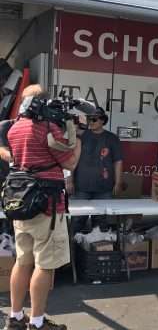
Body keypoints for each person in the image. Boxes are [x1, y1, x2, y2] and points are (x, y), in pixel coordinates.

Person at [5, 85, 81, 330]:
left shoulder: (15, 128)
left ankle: (15, 317)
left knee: (22, 261)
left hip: (21, 204)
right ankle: (37, 323)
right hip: (47, 207)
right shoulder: (47, 128)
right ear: (45, 103)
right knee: (44, 266)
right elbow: (70, 161)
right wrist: (76, 137)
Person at [68, 107, 123, 199]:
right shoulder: (81, 136)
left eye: (94, 119)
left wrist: (118, 183)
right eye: (89, 119)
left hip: (105, 188)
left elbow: (118, 161)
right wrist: (69, 180)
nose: (91, 122)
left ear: (102, 120)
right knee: (81, 213)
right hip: (81, 187)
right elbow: (71, 158)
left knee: (103, 213)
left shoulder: (112, 138)